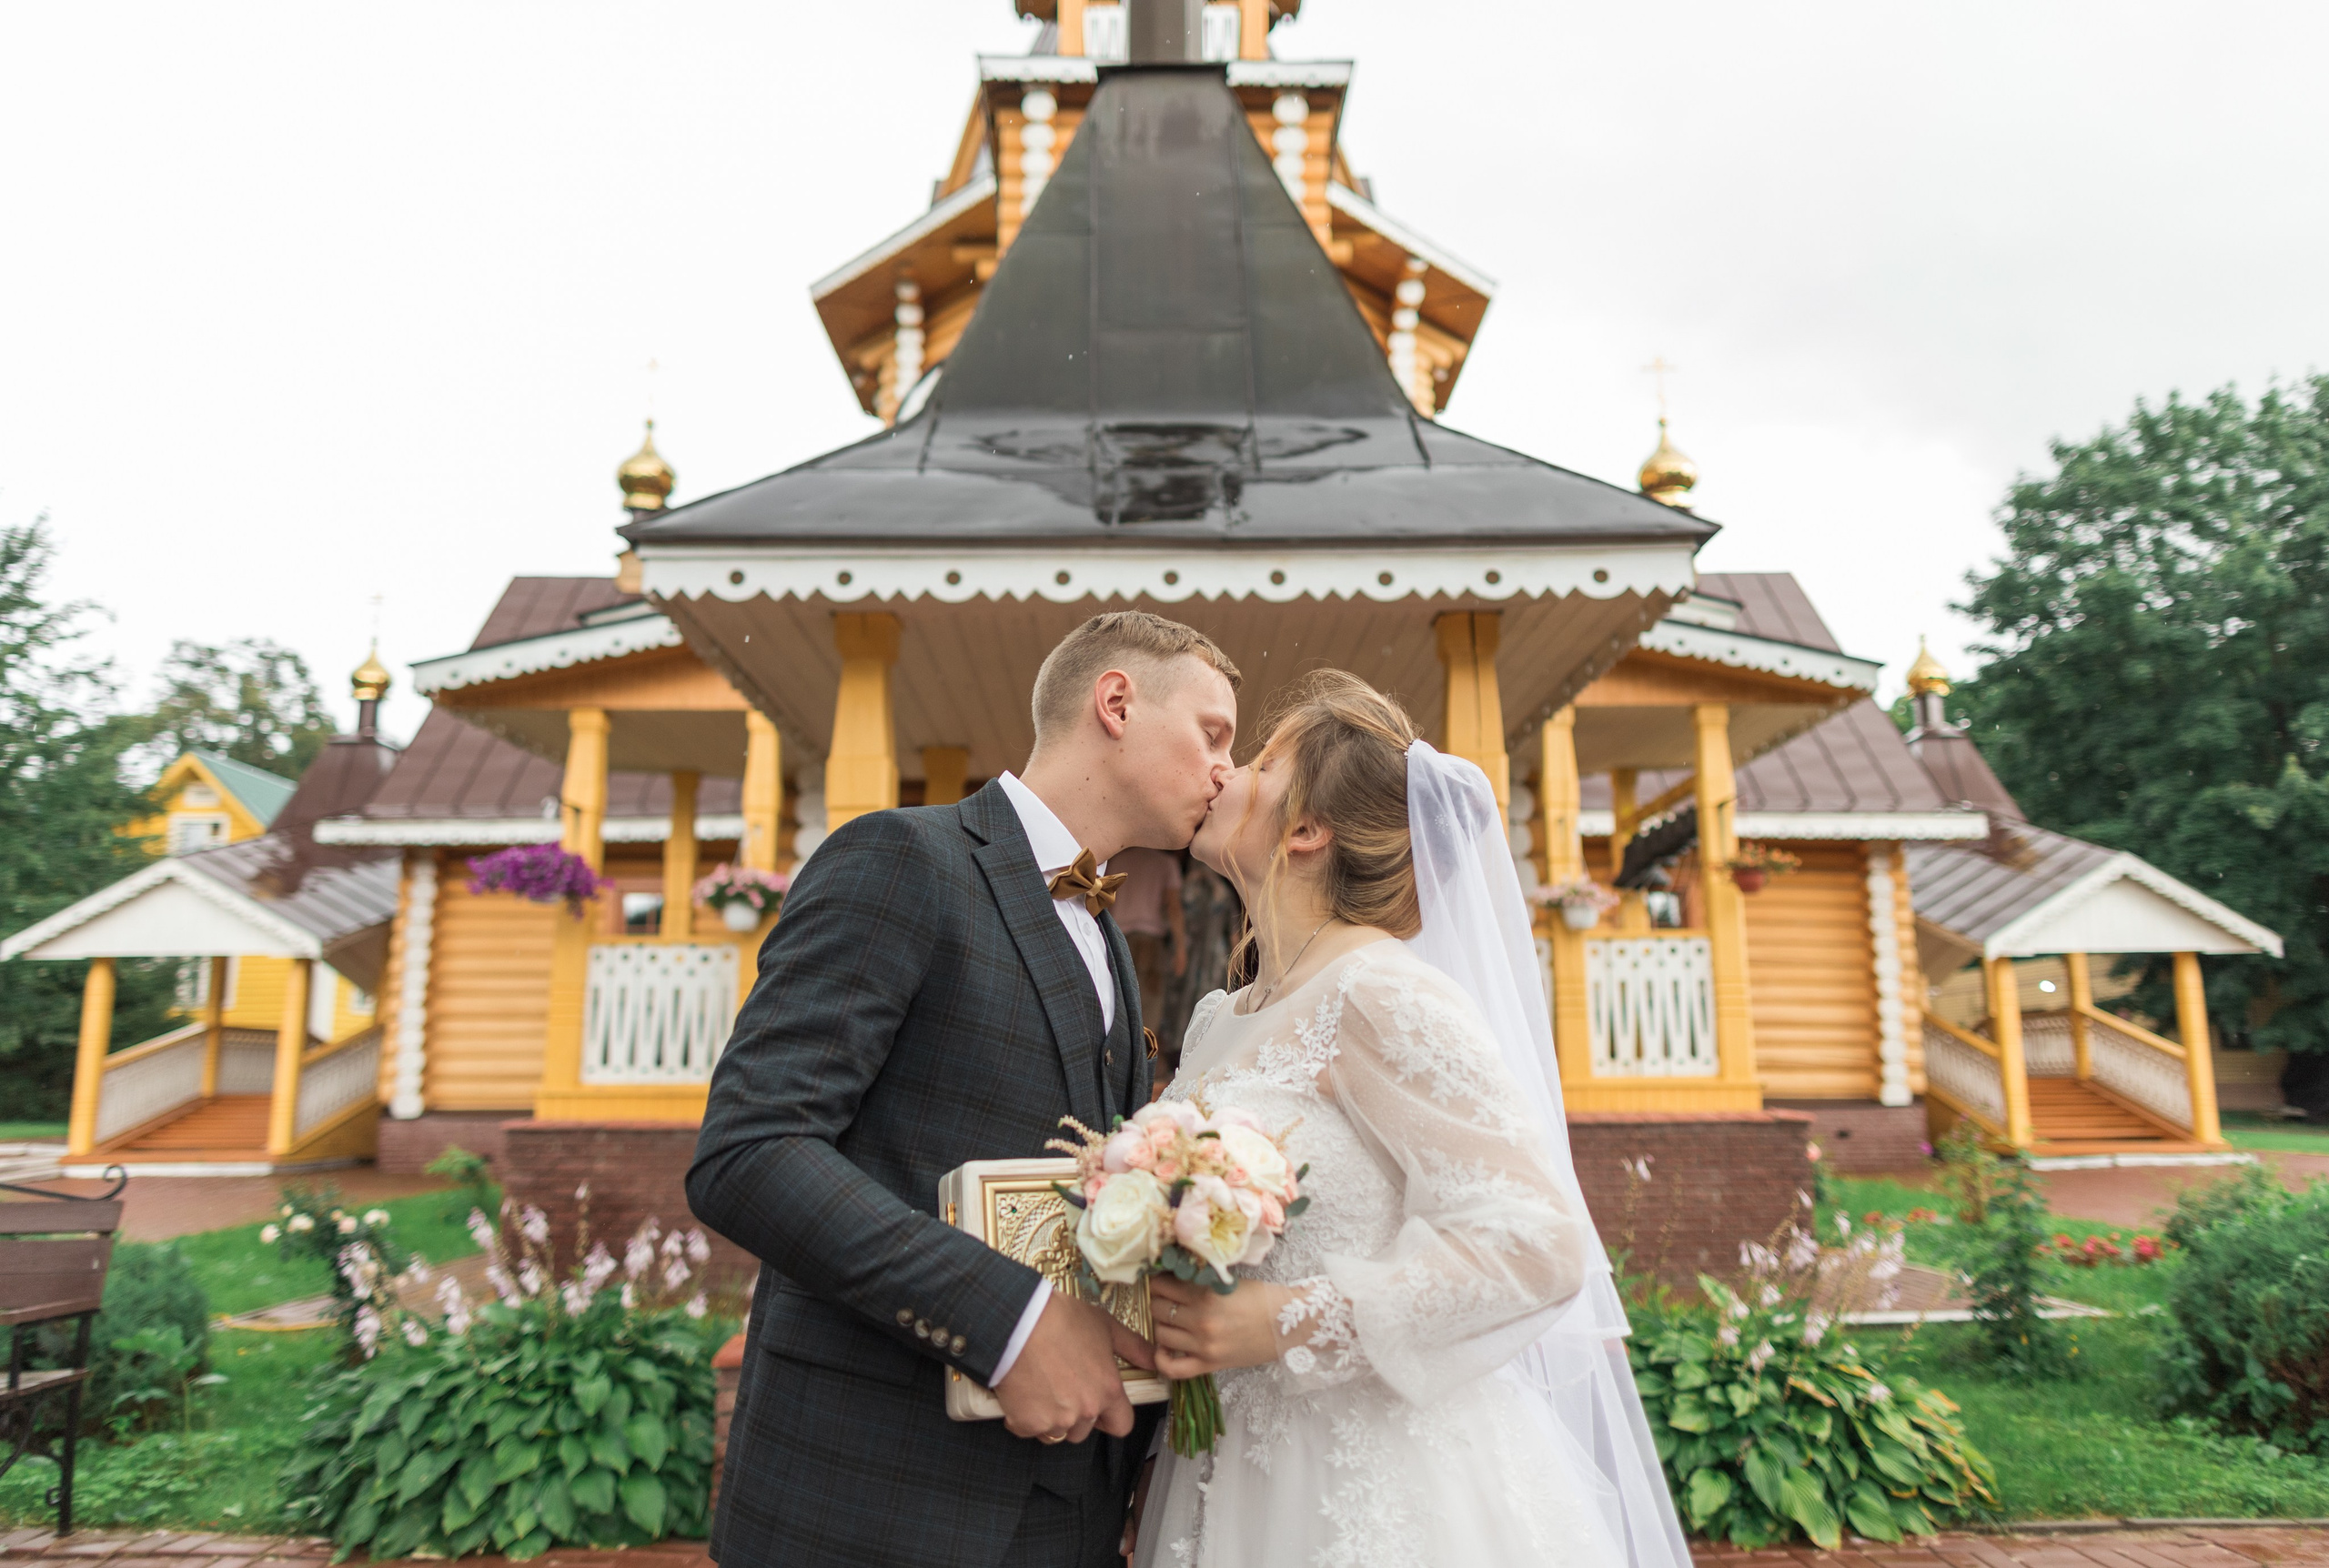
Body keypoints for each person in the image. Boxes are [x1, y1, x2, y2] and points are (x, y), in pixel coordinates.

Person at [688, 611, 1241, 1568]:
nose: (1226, 770)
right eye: (1214, 733)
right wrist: (1009, 1323)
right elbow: (751, 1149)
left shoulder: (1107, 935)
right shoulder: (902, 858)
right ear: (1116, 703)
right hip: (869, 1494)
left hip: (1067, 1503)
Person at [1133, 670, 1690, 1568]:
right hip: (1227, 1464)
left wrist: (1286, 1320)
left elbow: (1535, 1243)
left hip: (1375, 1482)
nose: (1228, 768)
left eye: (1263, 763)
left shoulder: (1379, 992)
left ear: (1307, 829)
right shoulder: (1217, 1019)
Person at [1106, 846, 1185, 1040]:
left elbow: (1105, 904)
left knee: (1117, 1000)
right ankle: (1145, 1053)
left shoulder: (1116, 861)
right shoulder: (1166, 863)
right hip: (1150, 942)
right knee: (1150, 1003)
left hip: (1118, 937)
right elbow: (1174, 907)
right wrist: (1181, 949)